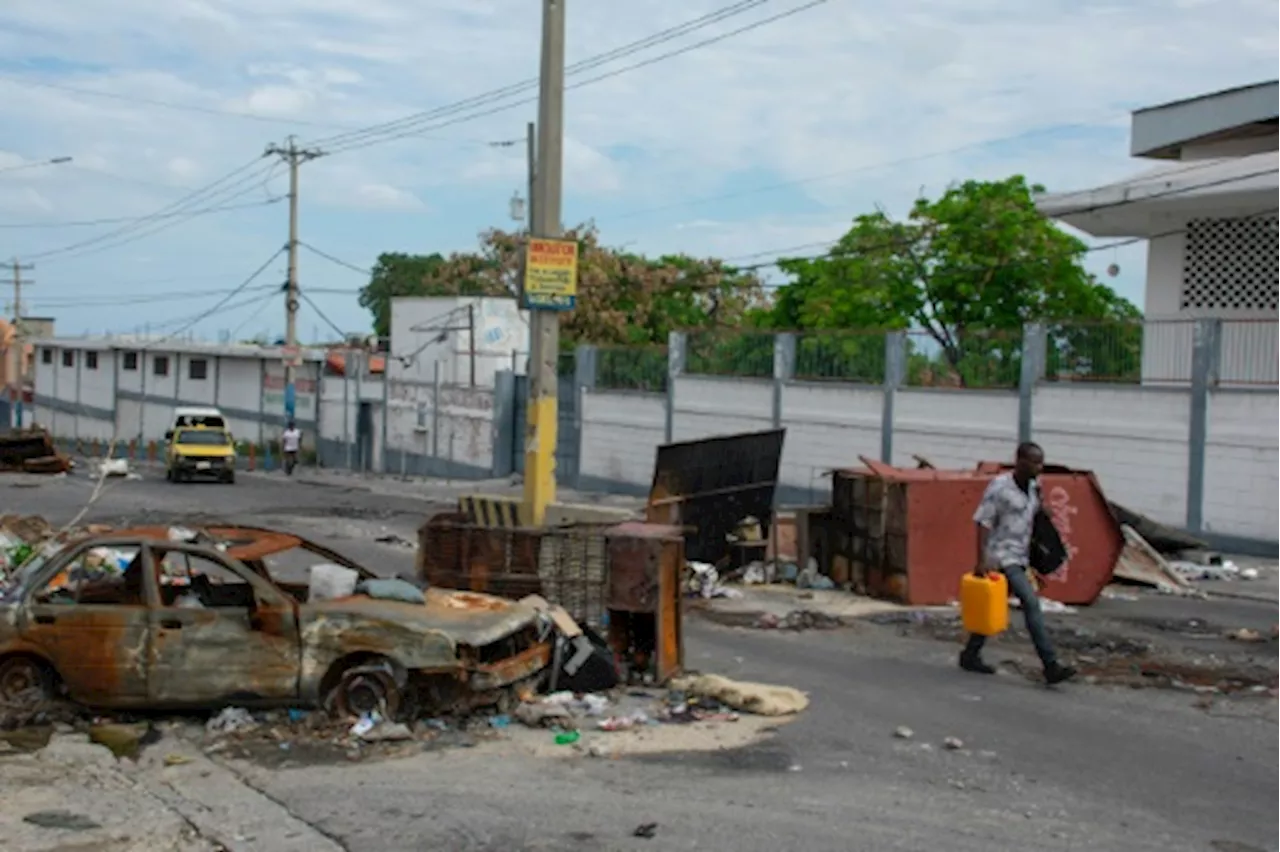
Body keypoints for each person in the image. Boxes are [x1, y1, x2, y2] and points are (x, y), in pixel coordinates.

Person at [960, 441, 1077, 685]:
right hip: (1002, 556)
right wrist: (981, 559)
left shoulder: (1035, 486)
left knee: (993, 606)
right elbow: (983, 522)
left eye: (1041, 462)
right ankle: (1050, 665)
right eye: (1034, 462)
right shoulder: (999, 487)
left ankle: (970, 655)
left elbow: (1033, 515)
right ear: (1019, 461)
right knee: (1031, 603)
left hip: (1021, 555)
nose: (1039, 467)